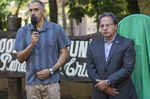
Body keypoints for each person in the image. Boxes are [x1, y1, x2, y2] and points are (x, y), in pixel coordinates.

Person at [14, 0, 71, 99]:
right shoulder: (22, 31)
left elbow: (65, 54)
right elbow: (20, 58)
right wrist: (31, 45)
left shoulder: (56, 29)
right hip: (32, 84)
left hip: (52, 83)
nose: (32, 13)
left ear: (43, 12)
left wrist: (50, 71)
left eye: (36, 10)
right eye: (30, 10)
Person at [86, 12, 138, 99]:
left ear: (116, 26)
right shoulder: (93, 45)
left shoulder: (127, 43)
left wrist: (107, 82)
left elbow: (127, 68)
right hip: (99, 93)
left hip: (121, 92)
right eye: (102, 26)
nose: (105, 28)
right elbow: (90, 68)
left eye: (108, 25)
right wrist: (103, 86)